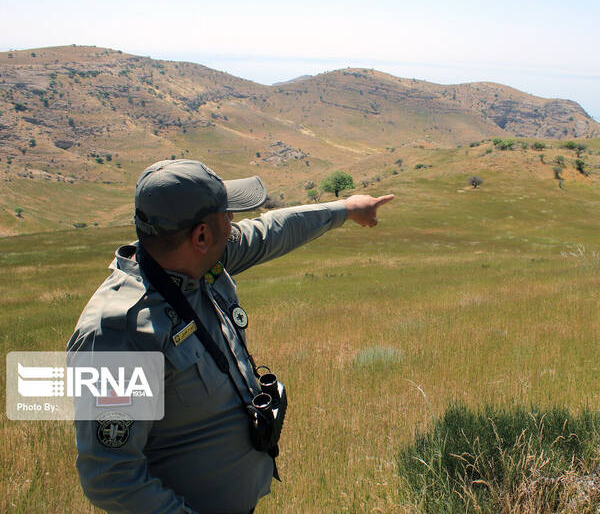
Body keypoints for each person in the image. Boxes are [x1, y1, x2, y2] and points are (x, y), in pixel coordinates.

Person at [67, 159, 393, 514]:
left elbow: (271, 230)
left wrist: (345, 209)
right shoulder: (120, 335)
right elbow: (110, 476)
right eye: (227, 215)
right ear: (201, 236)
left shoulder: (193, 260)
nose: (234, 223)